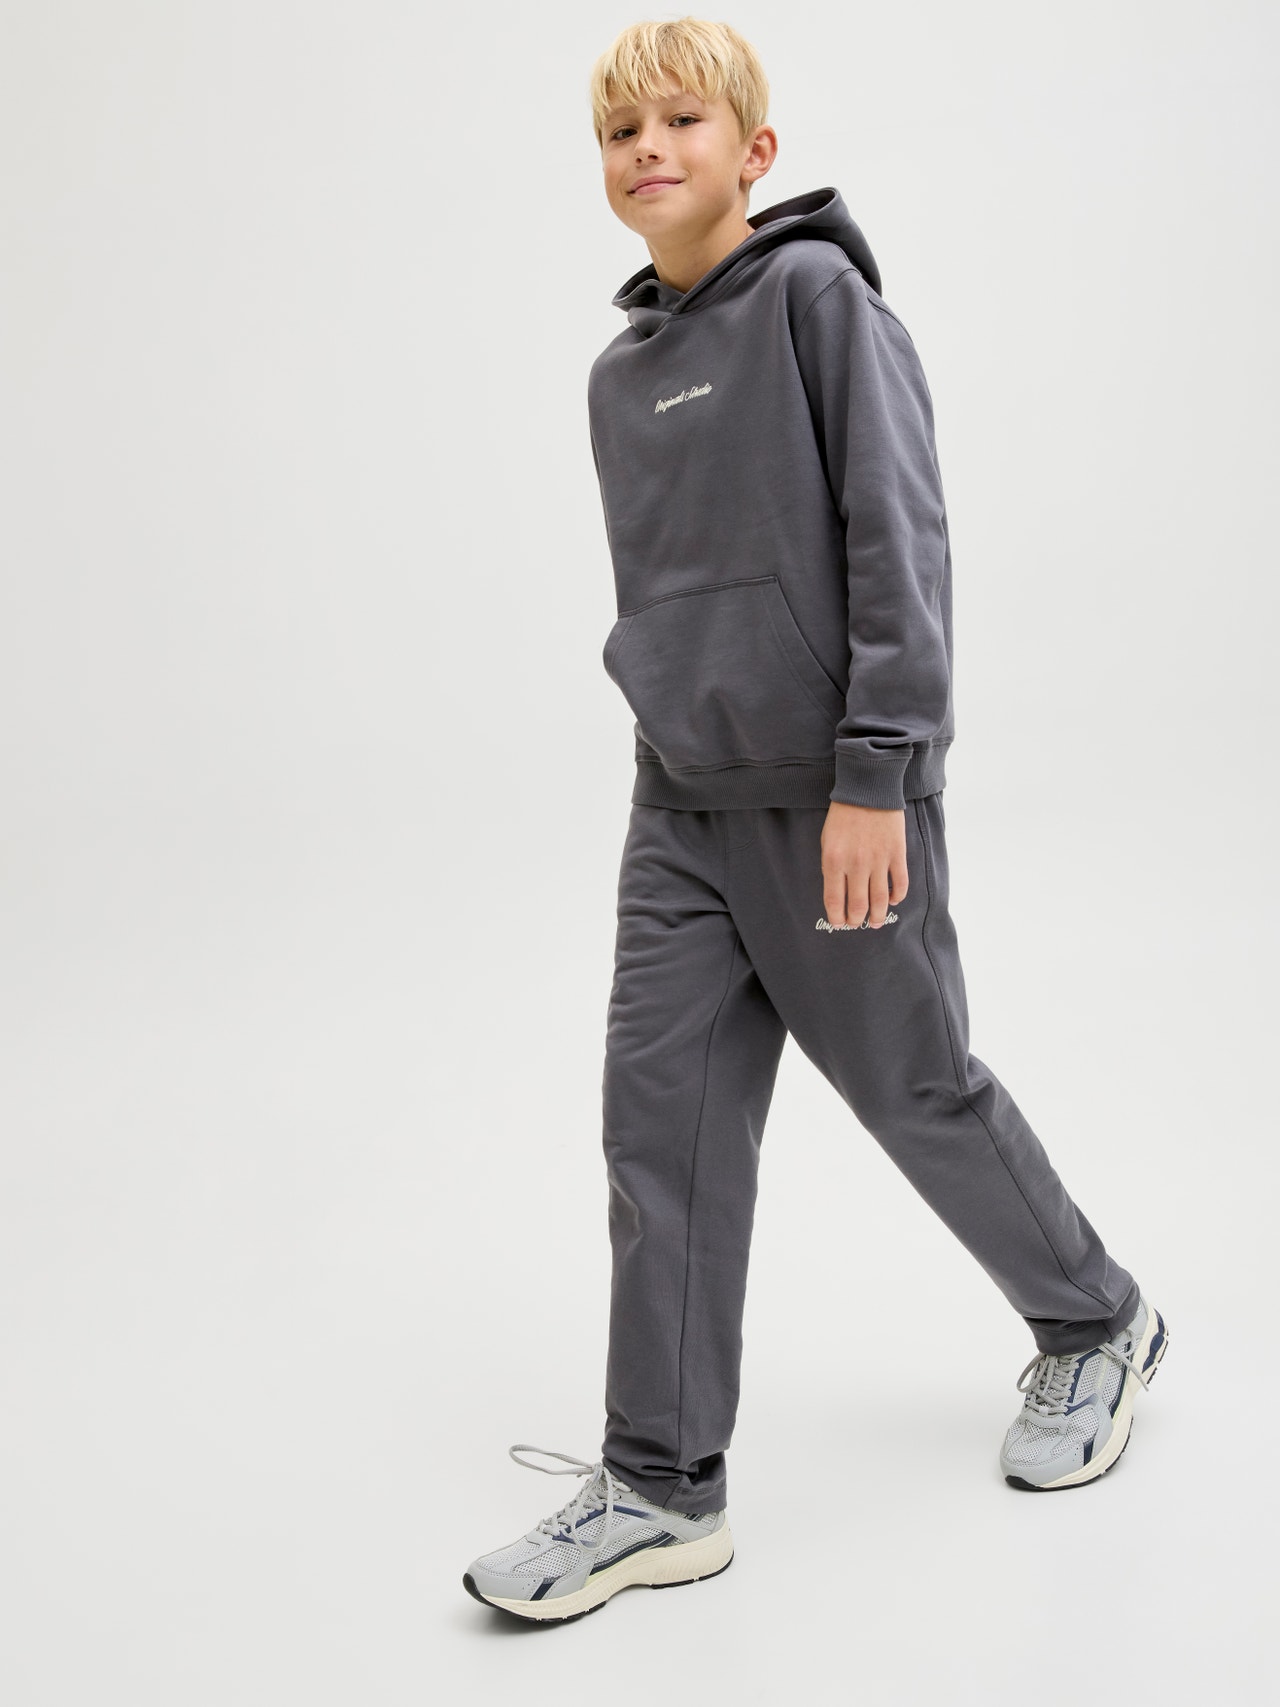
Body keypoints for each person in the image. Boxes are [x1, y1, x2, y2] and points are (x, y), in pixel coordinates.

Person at [462, 16, 1169, 1626]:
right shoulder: (616, 375)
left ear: (754, 152)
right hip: (679, 809)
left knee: (916, 1089)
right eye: (620, 132)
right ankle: (661, 1486)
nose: (648, 150)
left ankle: (1096, 1322)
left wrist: (876, 774)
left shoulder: (820, 304)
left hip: (834, 795)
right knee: (658, 1132)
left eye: (682, 121)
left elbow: (897, 540)